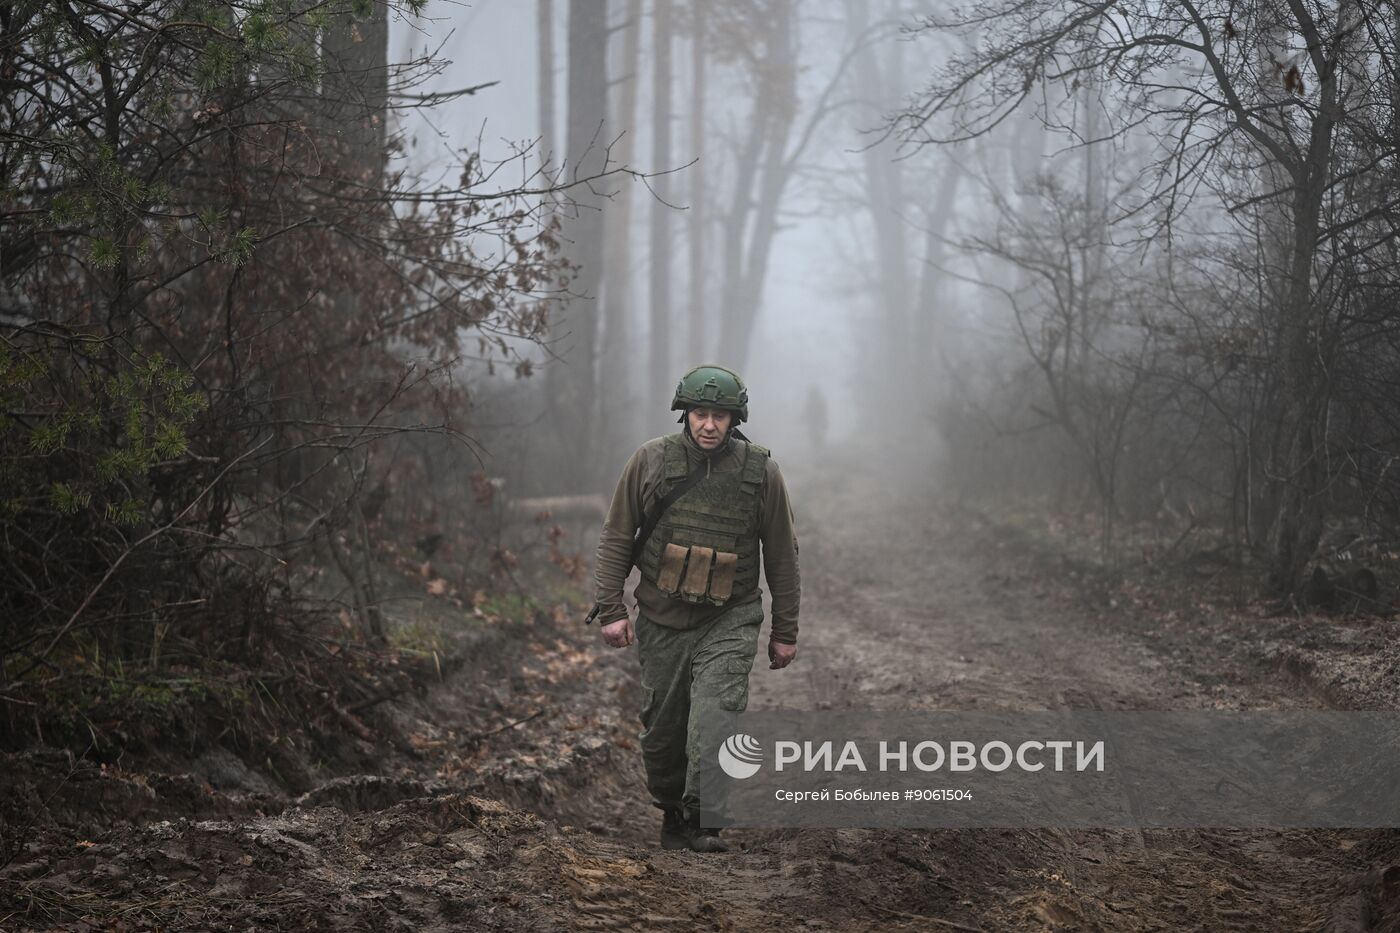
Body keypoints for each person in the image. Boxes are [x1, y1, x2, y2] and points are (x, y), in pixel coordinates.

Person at [590, 363, 801, 853]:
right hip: (662, 617)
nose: (709, 425)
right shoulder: (650, 462)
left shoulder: (761, 472)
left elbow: (783, 555)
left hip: (731, 614)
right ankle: (673, 812)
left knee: (717, 714)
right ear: (684, 414)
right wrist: (610, 608)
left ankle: (706, 819)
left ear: (735, 419)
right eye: (700, 413)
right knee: (663, 731)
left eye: (720, 416)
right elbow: (618, 535)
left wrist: (784, 630)